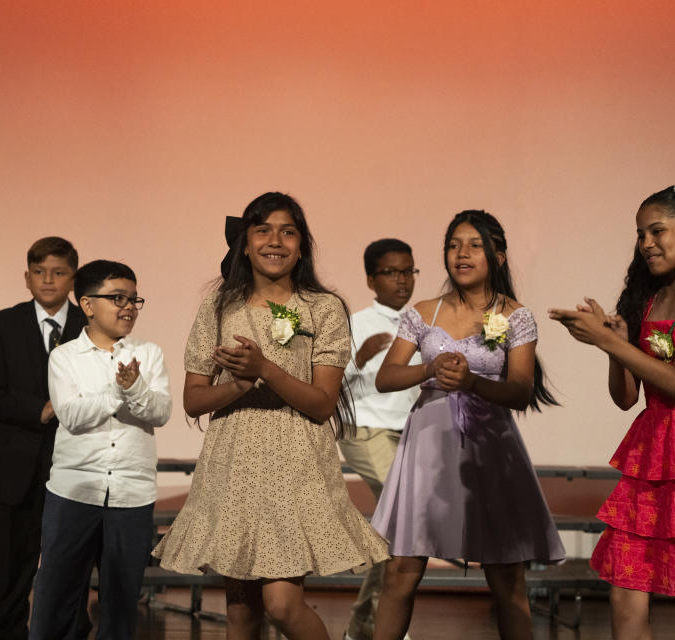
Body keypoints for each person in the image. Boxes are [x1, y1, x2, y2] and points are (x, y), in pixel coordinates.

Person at [152, 192, 390, 640]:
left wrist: (264, 369)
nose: (274, 240)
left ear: (302, 245)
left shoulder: (322, 308)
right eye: (263, 230)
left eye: (288, 231)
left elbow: (322, 402)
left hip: (296, 464)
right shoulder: (220, 307)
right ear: (244, 243)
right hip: (234, 462)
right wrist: (239, 385)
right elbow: (193, 400)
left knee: (281, 605)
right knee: (241, 615)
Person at [549, 184, 675, 640]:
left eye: (657, 231)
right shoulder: (647, 299)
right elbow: (626, 397)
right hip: (653, 454)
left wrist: (610, 340)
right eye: (640, 234)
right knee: (625, 594)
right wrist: (615, 348)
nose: (646, 243)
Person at [372, 210, 564, 640]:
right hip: (427, 446)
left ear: (497, 254)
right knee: (401, 569)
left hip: (490, 447)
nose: (462, 253)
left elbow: (519, 390)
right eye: (454, 245)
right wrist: (430, 370)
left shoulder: (515, 316)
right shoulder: (423, 312)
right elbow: (386, 378)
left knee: (506, 578)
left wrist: (473, 381)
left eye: (474, 245)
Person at [29, 259, 171, 640]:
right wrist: (119, 389)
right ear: (88, 304)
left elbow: (160, 412)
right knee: (56, 595)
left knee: (122, 601)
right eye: (117, 298)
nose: (128, 307)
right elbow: (72, 415)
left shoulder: (150, 353)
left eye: (134, 299)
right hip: (74, 491)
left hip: (132, 493)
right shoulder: (65, 357)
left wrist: (135, 388)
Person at [0, 237, 87, 640]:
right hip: (14, 465)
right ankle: (7, 635)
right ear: (26, 278)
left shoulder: (90, 326)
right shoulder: (5, 323)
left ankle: (70, 632)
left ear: (73, 278)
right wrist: (39, 409)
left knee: (70, 565)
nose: (48, 280)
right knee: (13, 568)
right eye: (39, 272)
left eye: (58, 273)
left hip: (76, 466)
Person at [339, 238, 422, 640]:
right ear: (371, 279)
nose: (402, 280)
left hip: (409, 435)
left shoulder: (421, 321)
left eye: (409, 271)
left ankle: (362, 626)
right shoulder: (356, 324)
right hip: (365, 429)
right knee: (404, 516)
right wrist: (359, 359)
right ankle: (391, 628)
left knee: (393, 531)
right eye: (391, 272)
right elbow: (328, 384)